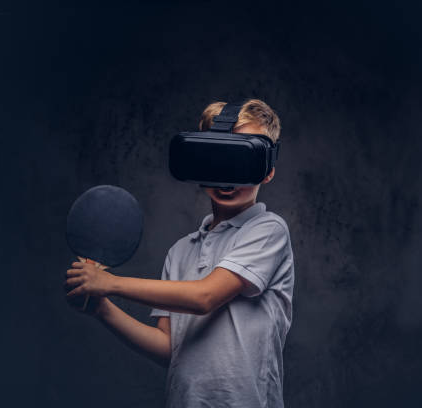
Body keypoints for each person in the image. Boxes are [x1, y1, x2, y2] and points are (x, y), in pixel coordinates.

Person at [64, 98, 295, 408]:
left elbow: (204, 297)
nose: (226, 178)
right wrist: (102, 309)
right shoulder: (181, 251)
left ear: (266, 171)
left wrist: (110, 283)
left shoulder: (268, 230)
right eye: (215, 159)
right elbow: (168, 349)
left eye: (241, 160)